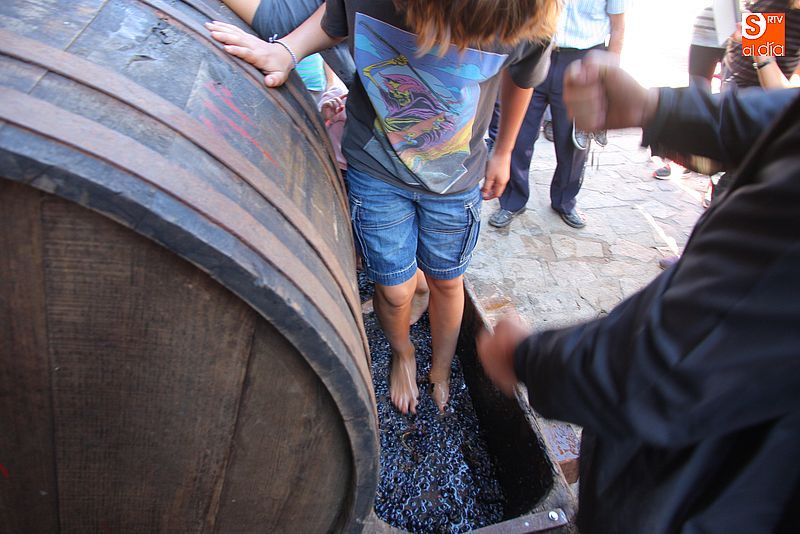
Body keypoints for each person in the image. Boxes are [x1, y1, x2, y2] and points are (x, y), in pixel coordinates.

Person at [477, 51, 800, 533]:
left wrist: (527, 359)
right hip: (737, 96)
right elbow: (784, 114)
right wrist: (659, 110)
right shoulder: (761, 14)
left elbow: (666, 361)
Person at [207, 0, 558, 414]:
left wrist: (504, 151)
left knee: (448, 280)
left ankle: (441, 367)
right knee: (393, 289)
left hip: (455, 180)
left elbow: (523, 77)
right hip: (376, 172)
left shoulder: (525, 15)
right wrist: (288, 49)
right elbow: (332, 20)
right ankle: (403, 353)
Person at [487, 0, 625, 229]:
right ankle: (512, 200)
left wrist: (608, 77)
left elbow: (618, 28)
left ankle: (565, 201)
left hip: (583, 61)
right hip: (534, 49)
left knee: (572, 140)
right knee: (518, 133)